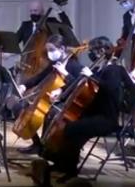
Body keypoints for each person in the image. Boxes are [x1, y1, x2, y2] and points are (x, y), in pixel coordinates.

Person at [34, 36, 129, 182]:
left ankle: (70, 170)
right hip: (94, 113)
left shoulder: (114, 69)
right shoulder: (99, 67)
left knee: (71, 129)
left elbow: (111, 91)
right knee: (71, 128)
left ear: (102, 50)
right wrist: (63, 91)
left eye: (93, 51)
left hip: (106, 118)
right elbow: (81, 86)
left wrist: (92, 78)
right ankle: (61, 164)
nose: (91, 55)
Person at [14, 34, 82, 155]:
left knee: (50, 113)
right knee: (21, 105)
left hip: (65, 101)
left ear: (62, 49)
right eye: (48, 50)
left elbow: (77, 86)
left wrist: (64, 78)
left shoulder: (74, 65)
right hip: (51, 98)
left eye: (52, 50)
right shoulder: (55, 63)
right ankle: (37, 144)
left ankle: (48, 147)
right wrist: (24, 85)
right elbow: (40, 77)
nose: (49, 54)